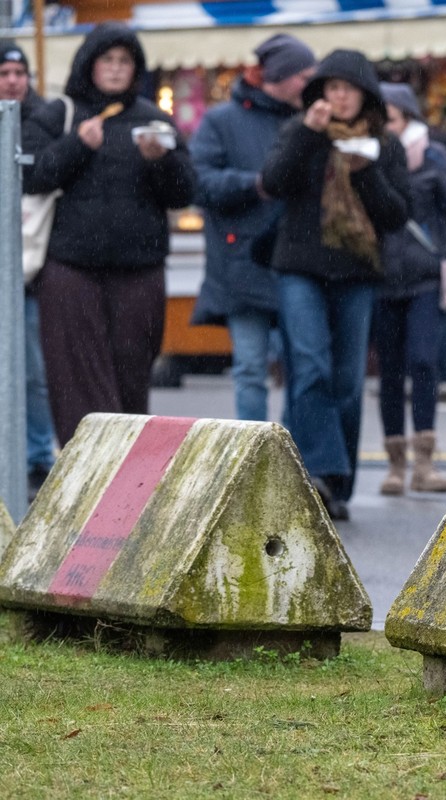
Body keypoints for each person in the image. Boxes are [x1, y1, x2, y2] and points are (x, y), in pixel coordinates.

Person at [22, 23, 196, 446]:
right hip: (70, 268)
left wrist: (161, 161)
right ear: (89, 65)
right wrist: (76, 147)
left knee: (132, 374)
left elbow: (185, 193)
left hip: (139, 269)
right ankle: (86, 468)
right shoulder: (59, 115)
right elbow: (28, 176)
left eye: (125, 61)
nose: (117, 70)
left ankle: (127, 478)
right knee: (75, 378)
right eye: (108, 60)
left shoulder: (154, 120)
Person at [261, 49, 409, 521]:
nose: (339, 96)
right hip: (300, 267)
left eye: (348, 88)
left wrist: (366, 176)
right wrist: (308, 132)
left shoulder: (384, 147)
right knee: (309, 366)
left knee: (346, 379)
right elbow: (274, 182)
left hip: (357, 271)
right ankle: (318, 472)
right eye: (331, 88)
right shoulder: (300, 132)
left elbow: (396, 216)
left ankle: (336, 487)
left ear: (365, 95)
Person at [190, 33, 316, 422]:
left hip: (299, 261)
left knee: (305, 371)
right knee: (250, 370)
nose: (311, 85)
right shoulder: (220, 121)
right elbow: (199, 184)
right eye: (304, 76)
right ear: (280, 76)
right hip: (241, 262)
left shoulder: (308, 121)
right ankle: (253, 458)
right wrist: (255, 184)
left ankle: (297, 462)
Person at [374, 82, 446, 495]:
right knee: (389, 372)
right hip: (381, 278)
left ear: (407, 116)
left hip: (423, 277)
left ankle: (424, 459)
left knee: (424, 362)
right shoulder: (367, 156)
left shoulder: (432, 156)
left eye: (389, 117)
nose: (384, 127)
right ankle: (395, 464)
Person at [2, 40, 55, 499]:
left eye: (19, 73)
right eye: (4, 73)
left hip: (31, 265)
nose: (13, 81)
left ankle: (38, 455)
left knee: (33, 368)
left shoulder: (43, 123)